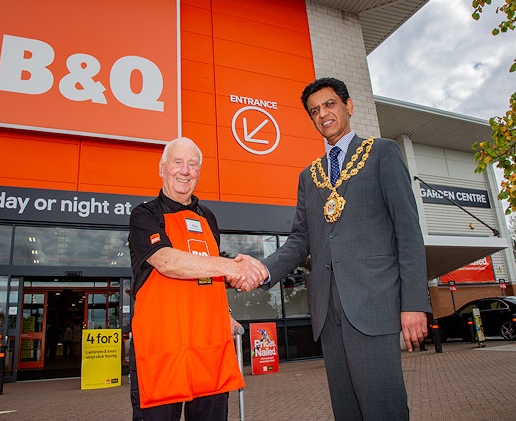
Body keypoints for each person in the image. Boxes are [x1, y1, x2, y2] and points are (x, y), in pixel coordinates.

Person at [237, 77, 432, 420]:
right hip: (328, 311)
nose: (323, 114)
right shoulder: (308, 176)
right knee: (347, 410)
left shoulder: (381, 152)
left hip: (373, 304)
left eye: (329, 105)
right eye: (315, 111)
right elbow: (300, 241)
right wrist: (264, 268)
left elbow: (408, 232)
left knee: (382, 407)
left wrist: (414, 303)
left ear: (348, 106)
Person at [127, 137, 265, 421]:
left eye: (192, 164)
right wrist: (233, 267)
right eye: (177, 162)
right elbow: (167, 261)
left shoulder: (208, 218)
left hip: (207, 348)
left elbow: (208, 272)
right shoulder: (144, 215)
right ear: (162, 168)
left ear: (199, 171)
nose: (185, 171)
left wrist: (225, 313)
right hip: (162, 350)